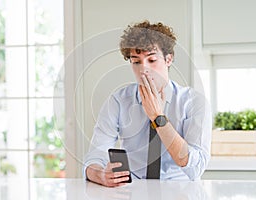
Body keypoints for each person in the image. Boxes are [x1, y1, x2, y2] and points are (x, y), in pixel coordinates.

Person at [84, 20, 212, 187]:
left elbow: (196, 168)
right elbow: (94, 158)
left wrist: (158, 117)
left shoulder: (194, 102)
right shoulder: (118, 101)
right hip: (133, 190)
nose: (143, 69)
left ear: (169, 59)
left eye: (151, 60)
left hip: (180, 190)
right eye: (136, 62)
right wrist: (100, 174)